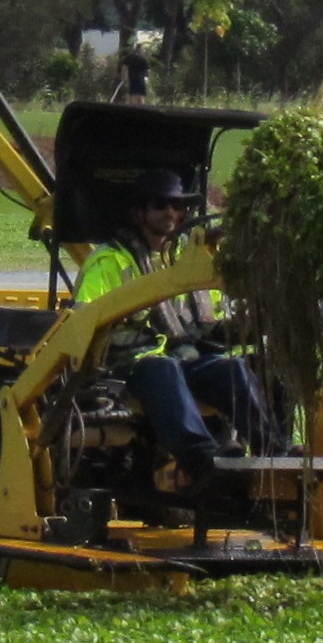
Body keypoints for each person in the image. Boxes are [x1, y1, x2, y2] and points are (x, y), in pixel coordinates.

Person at [70, 168, 280, 488]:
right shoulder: (108, 262)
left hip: (182, 358)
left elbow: (209, 329)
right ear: (139, 212)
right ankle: (201, 458)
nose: (171, 212)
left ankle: (275, 449)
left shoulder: (187, 261)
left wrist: (256, 325)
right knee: (163, 368)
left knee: (232, 367)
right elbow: (82, 325)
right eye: (160, 205)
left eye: (177, 206)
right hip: (126, 367)